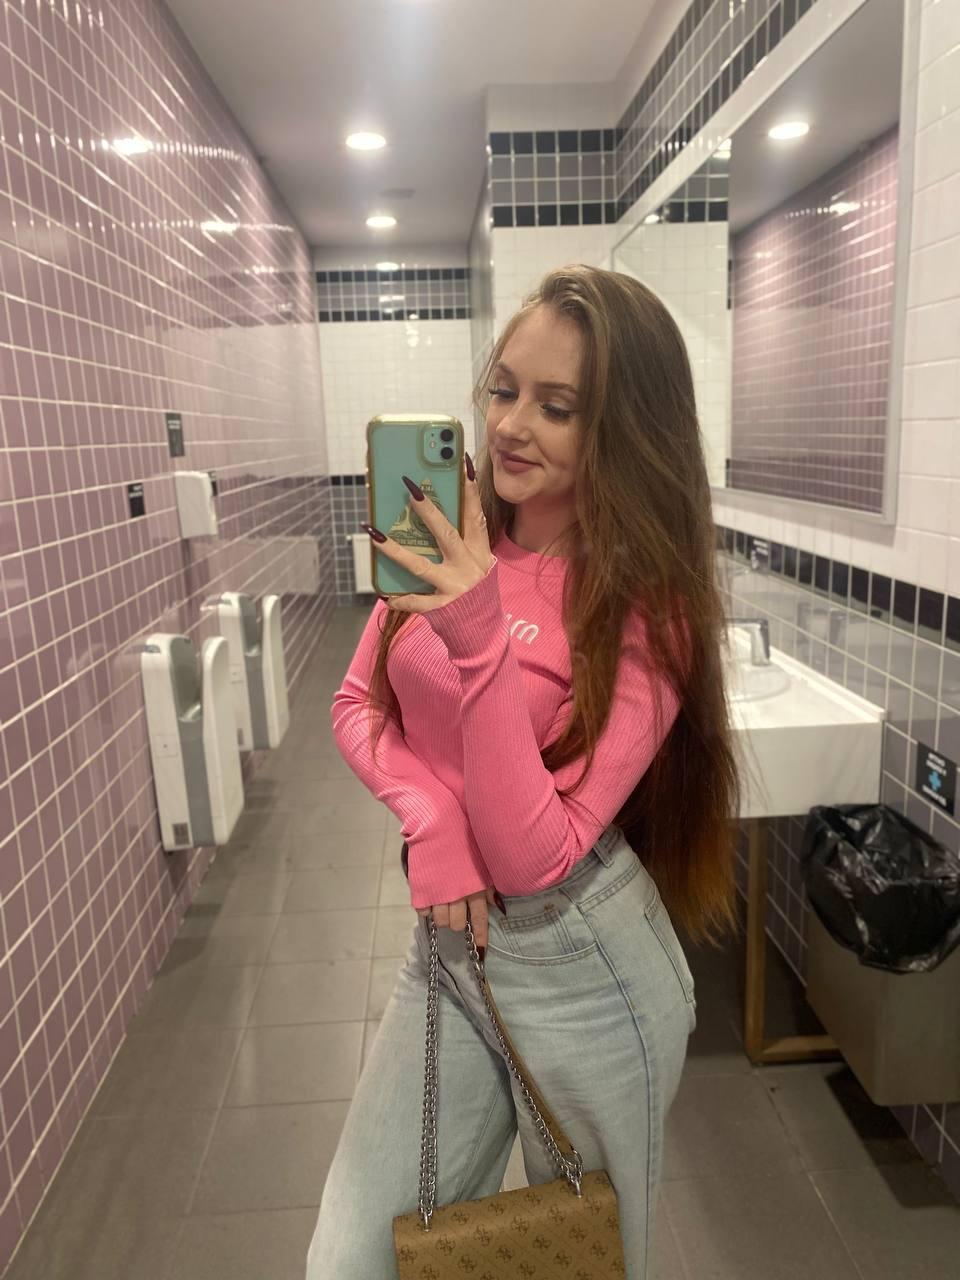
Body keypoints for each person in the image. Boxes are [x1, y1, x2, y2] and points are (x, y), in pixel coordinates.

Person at [305, 264, 740, 1279]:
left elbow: (535, 855)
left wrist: (478, 629)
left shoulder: (650, 606)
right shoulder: (450, 537)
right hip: (449, 951)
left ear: (623, 429)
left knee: (576, 1262)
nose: (509, 425)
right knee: (350, 1258)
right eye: (503, 390)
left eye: (557, 406)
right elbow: (356, 703)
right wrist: (430, 817)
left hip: (582, 962)